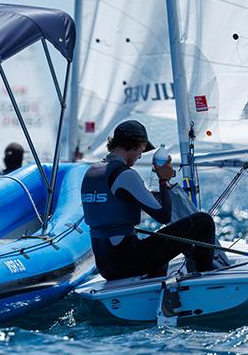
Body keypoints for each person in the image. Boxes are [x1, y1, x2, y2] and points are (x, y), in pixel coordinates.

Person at [80, 120, 214, 280]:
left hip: (104, 265)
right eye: (142, 148)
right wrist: (163, 180)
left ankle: (154, 288)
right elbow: (163, 215)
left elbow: (113, 206)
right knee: (203, 221)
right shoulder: (125, 174)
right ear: (135, 143)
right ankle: (206, 279)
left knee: (157, 251)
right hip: (126, 262)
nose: (141, 155)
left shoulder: (91, 172)